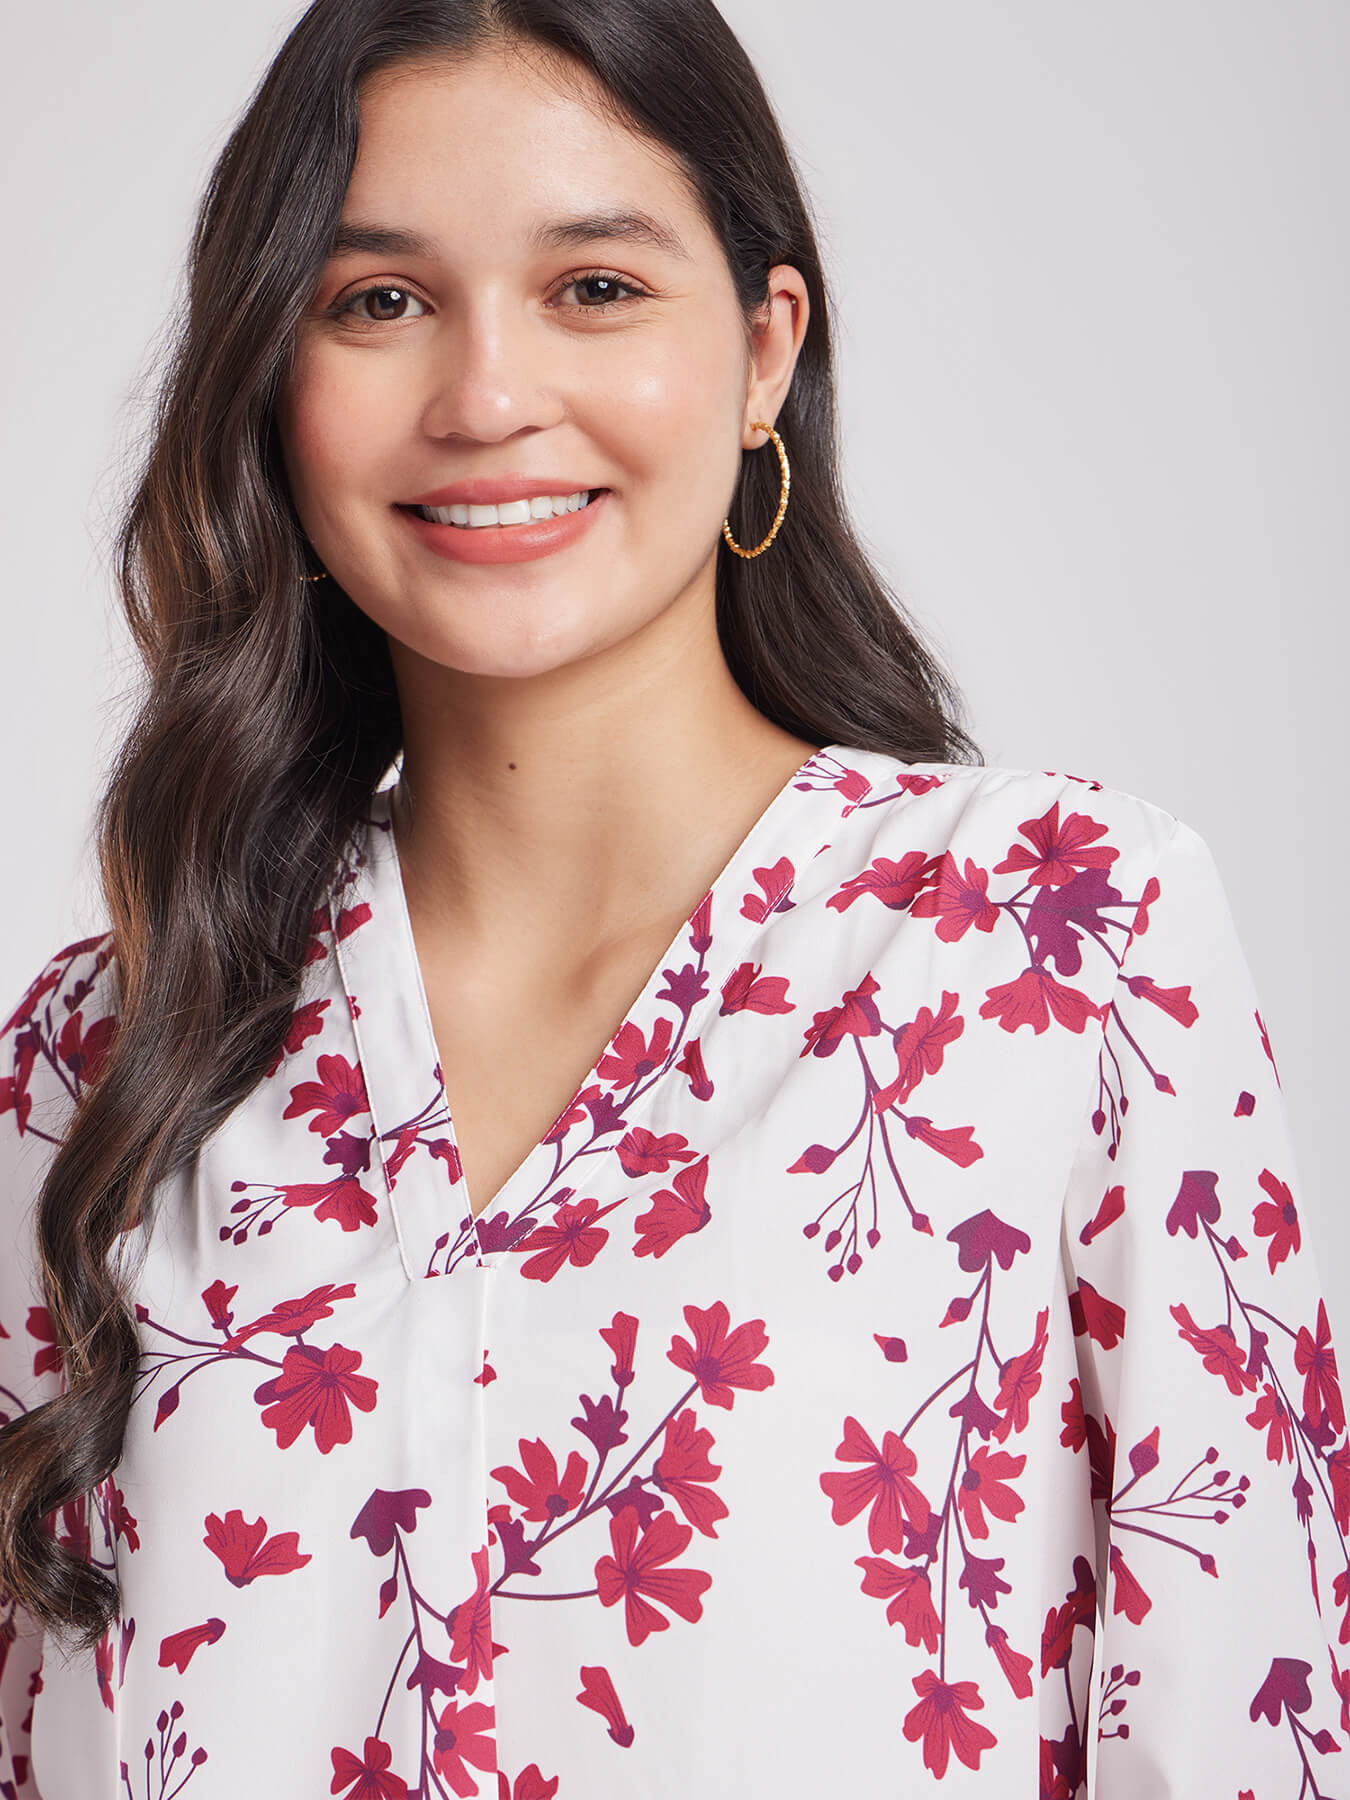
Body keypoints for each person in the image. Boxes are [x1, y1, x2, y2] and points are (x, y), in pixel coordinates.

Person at [1, 2, 1344, 1794]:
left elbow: (1238, 1714)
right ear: (271, 372)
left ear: (764, 349)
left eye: (595, 287)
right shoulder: (98, 1055)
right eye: (377, 300)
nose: (486, 397)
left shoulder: (1059, 938)